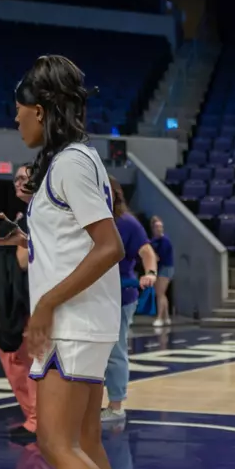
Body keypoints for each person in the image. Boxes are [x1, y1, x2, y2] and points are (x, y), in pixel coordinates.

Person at [0, 54, 170, 469]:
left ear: (41, 110)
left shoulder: (72, 165)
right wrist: (9, 236)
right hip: (82, 320)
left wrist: (49, 303)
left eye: (20, 112)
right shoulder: (66, 164)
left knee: (56, 443)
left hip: (76, 322)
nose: (16, 122)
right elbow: (65, 245)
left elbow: (109, 247)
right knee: (84, 441)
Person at [100, 182, 157, 426]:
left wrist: (151, 272)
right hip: (91, 295)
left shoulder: (127, 223)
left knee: (115, 349)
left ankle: (115, 405)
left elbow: (146, 251)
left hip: (120, 295)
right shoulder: (86, 221)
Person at [0, 163, 37, 444]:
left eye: (24, 178)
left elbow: (22, 260)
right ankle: (34, 417)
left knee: (27, 360)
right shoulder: (25, 216)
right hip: (20, 302)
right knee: (12, 353)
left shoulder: (39, 215)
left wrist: (4, 249)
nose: (18, 182)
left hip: (33, 303)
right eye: (15, 178)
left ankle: (37, 421)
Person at [149, 215, 174, 326]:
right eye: (156, 227)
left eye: (160, 227)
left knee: (160, 293)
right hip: (159, 269)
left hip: (166, 268)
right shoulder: (153, 241)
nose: (159, 229)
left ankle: (159, 317)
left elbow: (159, 257)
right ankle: (166, 317)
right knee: (162, 294)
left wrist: (152, 255)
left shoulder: (165, 241)